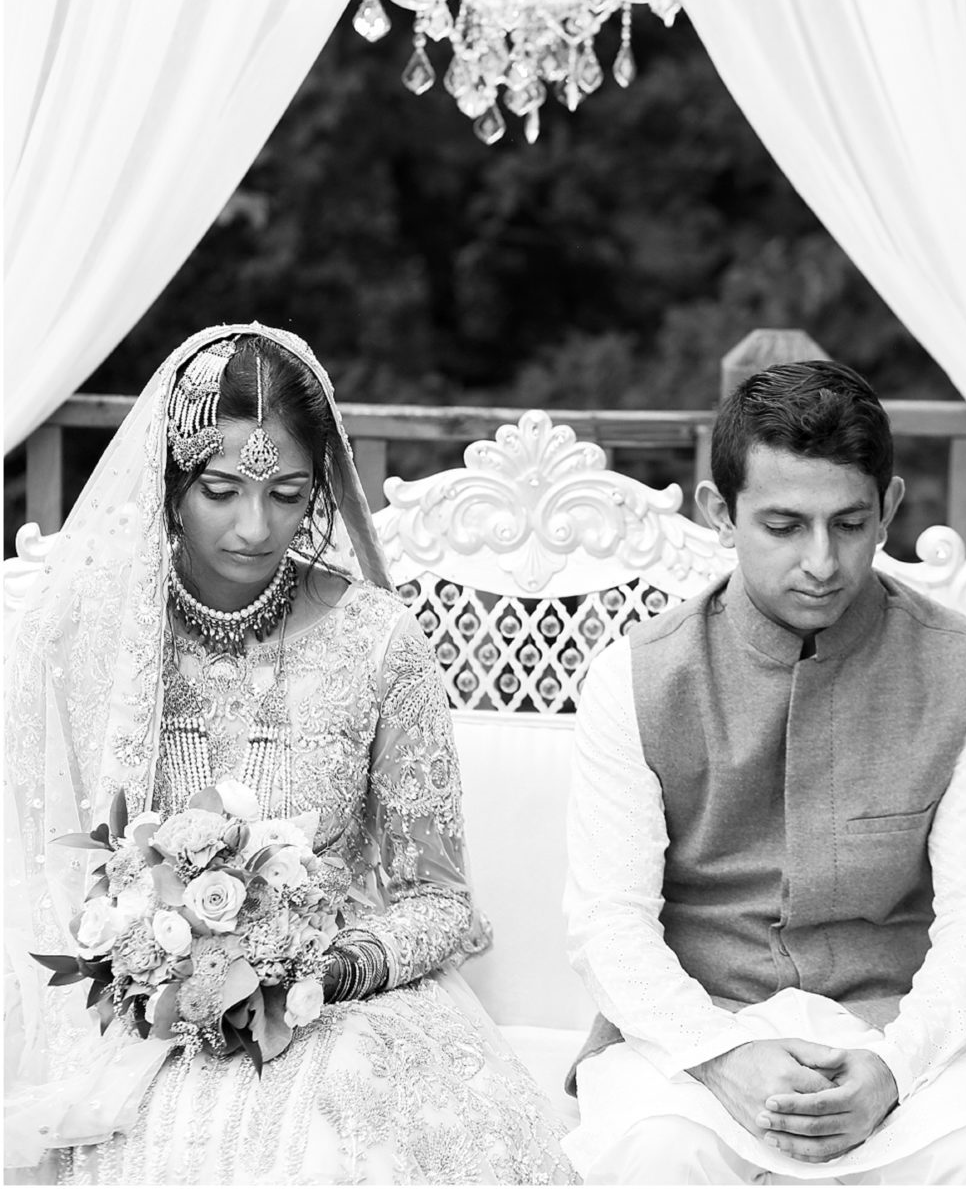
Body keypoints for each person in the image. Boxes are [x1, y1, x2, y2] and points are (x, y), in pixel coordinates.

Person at [5, 323, 577, 1185]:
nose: (253, 526)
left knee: (338, 1121)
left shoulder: (379, 641)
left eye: (285, 492)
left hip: (335, 1009)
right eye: (222, 489)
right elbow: (44, 869)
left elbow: (441, 900)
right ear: (170, 486)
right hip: (144, 1012)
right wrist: (153, 958)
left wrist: (317, 971)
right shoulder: (94, 633)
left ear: (320, 491)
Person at [563, 359, 966, 1185]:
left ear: (888, 509)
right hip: (693, 1036)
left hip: (900, 1032)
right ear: (722, 513)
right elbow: (609, 923)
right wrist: (720, 1055)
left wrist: (892, 1069)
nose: (820, 561)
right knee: (659, 1156)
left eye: (848, 523)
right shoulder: (636, 678)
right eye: (784, 526)